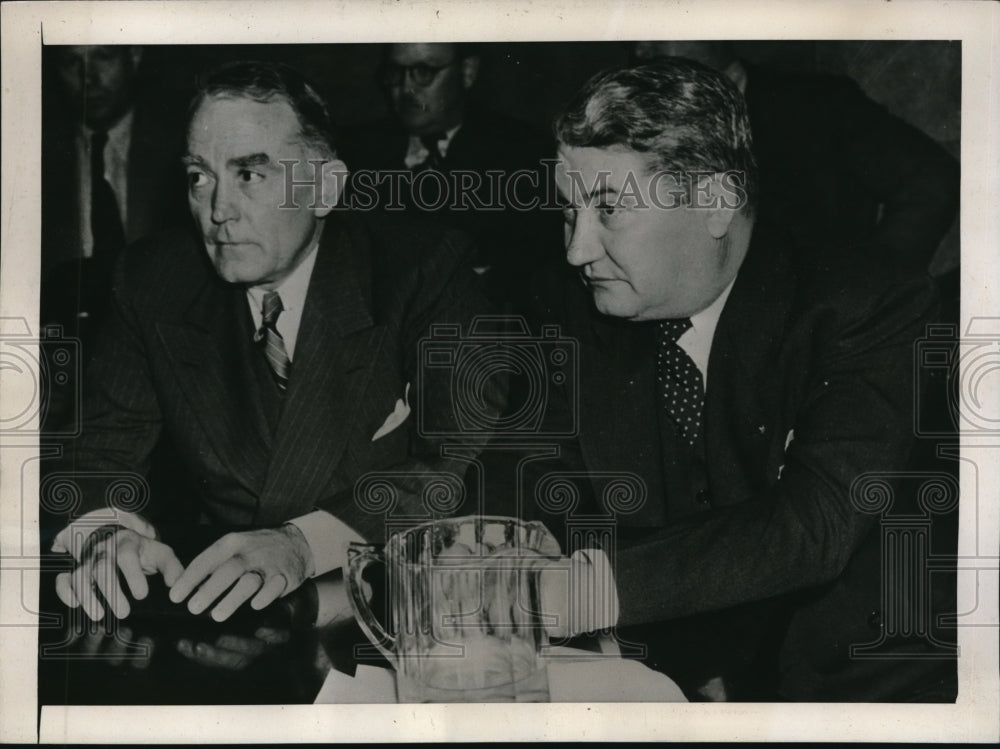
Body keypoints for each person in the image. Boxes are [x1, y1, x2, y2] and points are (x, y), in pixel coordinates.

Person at [514, 58, 955, 701]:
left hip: (867, 686)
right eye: (567, 212)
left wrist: (577, 594)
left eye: (608, 210)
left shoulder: (868, 307)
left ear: (715, 202)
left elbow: (813, 527)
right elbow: (546, 482)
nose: (576, 250)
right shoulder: (576, 315)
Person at [46, 61, 506, 646]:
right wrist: (107, 534)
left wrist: (299, 543)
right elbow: (101, 447)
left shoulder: (421, 270)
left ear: (326, 188)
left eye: (250, 175)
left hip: (389, 605)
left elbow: (454, 460)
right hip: (225, 617)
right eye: (198, 177)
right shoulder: (152, 279)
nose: (217, 211)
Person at [631, 41, 960, 274]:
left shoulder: (817, 104)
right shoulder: (632, 124)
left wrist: (872, 290)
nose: (641, 48)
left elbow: (931, 183)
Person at [339, 43, 560, 309]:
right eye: (396, 72)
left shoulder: (526, 154)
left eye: (424, 71)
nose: (406, 88)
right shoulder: (351, 153)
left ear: (467, 71)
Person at [41, 45, 189, 345]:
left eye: (103, 57)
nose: (88, 78)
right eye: (72, 62)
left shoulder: (181, 151)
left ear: (133, 57)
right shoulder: (36, 161)